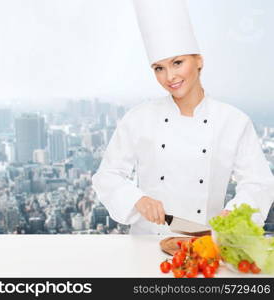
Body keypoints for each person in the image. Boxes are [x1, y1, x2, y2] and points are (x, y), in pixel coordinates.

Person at [91, 0, 274, 234]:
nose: (170, 76)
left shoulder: (234, 122)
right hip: (147, 243)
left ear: (199, 60)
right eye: (159, 68)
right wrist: (137, 199)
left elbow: (259, 183)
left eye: (178, 63)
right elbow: (107, 176)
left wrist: (235, 211)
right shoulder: (139, 118)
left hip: (205, 245)